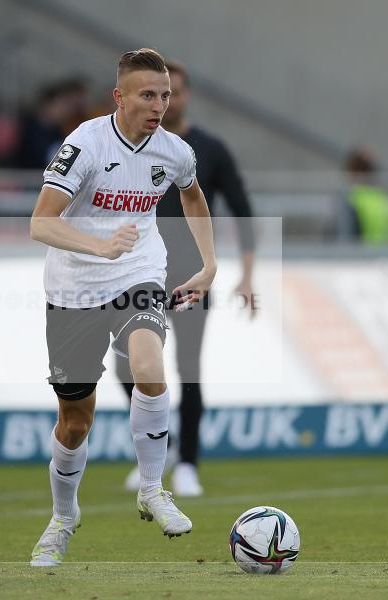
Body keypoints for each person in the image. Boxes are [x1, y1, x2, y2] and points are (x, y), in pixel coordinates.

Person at [27, 48, 217, 567]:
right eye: (147, 95)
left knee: (150, 365)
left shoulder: (175, 151)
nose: (159, 105)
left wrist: (209, 262)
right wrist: (100, 247)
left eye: (165, 95)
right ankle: (63, 518)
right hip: (74, 289)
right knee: (74, 422)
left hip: (139, 274)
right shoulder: (84, 144)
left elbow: (194, 197)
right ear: (120, 97)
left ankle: (153, 488)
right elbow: (41, 222)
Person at [119, 60, 257, 498]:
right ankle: (166, 448)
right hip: (139, 275)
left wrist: (247, 276)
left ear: (186, 95)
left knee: (189, 368)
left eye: (172, 92)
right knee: (127, 366)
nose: (166, 100)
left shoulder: (208, 149)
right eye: (158, 93)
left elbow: (241, 209)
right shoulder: (129, 148)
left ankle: (189, 464)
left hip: (189, 276)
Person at [342, 146, 388, 245]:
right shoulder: (381, 197)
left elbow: (347, 234)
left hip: (361, 256)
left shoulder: (352, 198)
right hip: (382, 254)